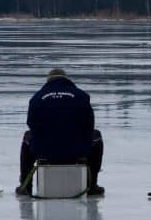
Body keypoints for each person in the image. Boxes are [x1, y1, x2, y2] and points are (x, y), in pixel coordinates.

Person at [17, 68, 104, 196]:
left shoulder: (37, 97)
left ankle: (26, 186)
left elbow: (31, 123)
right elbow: (90, 125)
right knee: (97, 136)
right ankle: (92, 186)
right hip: (77, 150)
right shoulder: (81, 96)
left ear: (48, 80)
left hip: (44, 150)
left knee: (27, 137)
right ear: (66, 79)